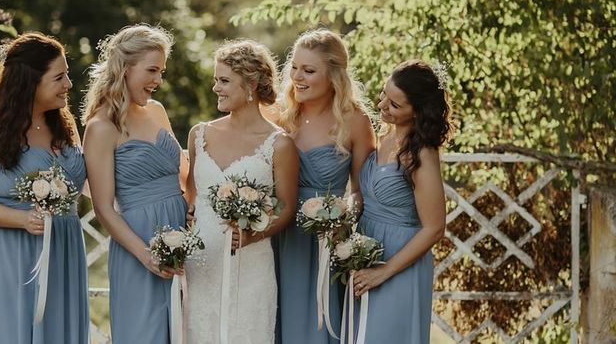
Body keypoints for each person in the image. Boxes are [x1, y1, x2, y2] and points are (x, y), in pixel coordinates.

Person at [0, 32, 88, 343]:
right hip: (8, 255)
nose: (68, 84)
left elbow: (86, 184)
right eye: (59, 77)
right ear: (31, 81)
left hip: (63, 250)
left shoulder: (65, 127)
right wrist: (23, 220)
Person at [185, 39, 299, 344]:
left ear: (250, 84)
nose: (216, 88)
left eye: (224, 81)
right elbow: (191, 197)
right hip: (202, 261)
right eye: (216, 80)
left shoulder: (280, 144)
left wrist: (253, 235)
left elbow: (286, 207)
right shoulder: (199, 134)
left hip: (251, 262)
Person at [82, 24, 187, 343]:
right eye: (152, 70)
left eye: (162, 71)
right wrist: (146, 255)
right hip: (138, 242)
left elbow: (183, 172)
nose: (158, 80)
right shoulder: (101, 127)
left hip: (182, 235)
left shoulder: (156, 111)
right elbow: (102, 207)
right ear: (124, 68)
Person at [270, 29, 375, 344]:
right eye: (295, 68)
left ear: (333, 76)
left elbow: (360, 191)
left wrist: (341, 215)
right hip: (276, 234)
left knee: (316, 327)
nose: (297, 77)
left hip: (324, 243)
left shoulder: (355, 120)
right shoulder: (278, 114)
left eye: (309, 70)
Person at [351, 59, 453, 344]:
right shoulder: (383, 136)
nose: (383, 105)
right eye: (384, 94)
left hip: (399, 261)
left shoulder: (421, 155)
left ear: (417, 112)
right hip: (366, 251)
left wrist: (384, 271)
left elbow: (434, 228)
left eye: (395, 105)